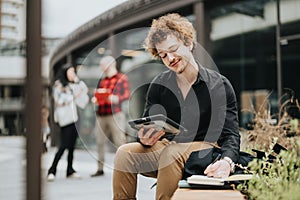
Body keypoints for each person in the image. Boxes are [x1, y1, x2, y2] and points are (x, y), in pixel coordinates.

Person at [112, 13, 240, 200]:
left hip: (205, 149)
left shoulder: (218, 85)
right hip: (168, 146)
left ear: (188, 43)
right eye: (163, 55)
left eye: (173, 49)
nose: (170, 58)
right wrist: (145, 138)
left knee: (171, 153)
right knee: (124, 154)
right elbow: (148, 124)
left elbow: (231, 135)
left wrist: (227, 161)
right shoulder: (159, 85)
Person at [47, 64, 89, 181]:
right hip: (65, 119)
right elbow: (60, 101)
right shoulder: (58, 85)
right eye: (70, 72)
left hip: (74, 118)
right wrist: (74, 95)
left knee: (71, 146)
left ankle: (70, 170)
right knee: (63, 145)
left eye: (73, 72)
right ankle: (52, 170)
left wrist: (77, 81)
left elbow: (84, 90)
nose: (72, 74)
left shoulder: (73, 85)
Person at [91, 55, 130, 177]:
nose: (100, 67)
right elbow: (100, 96)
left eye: (102, 65)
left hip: (115, 114)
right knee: (100, 142)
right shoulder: (103, 81)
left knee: (120, 141)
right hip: (101, 114)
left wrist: (116, 98)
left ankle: (124, 168)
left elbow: (127, 95)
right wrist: (96, 99)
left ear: (110, 64)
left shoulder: (121, 78)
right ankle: (100, 168)